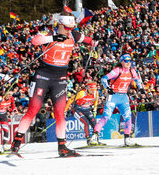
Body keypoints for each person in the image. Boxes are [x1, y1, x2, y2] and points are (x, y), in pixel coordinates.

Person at [10, 13, 96, 157]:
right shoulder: (49, 32)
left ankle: (62, 147)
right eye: (67, 28)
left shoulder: (74, 35)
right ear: (60, 25)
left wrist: (94, 42)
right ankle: (16, 145)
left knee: (60, 113)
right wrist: (53, 38)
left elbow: (89, 40)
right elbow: (34, 40)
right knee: (33, 110)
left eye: (71, 27)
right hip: (43, 76)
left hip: (60, 78)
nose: (69, 30)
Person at [89, 54, 143, 146]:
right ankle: (94, 137)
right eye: (126, 61)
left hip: (123, 97)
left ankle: (127, 139)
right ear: (122, 61)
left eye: (129, 60)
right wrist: (107, 88)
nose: (128, 62)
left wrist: (140, 87)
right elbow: (104, 79)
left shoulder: (132, 71)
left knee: (128, 117)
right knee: (105, 117)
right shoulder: (117, 70)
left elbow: (137, 80)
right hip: (113, 96)